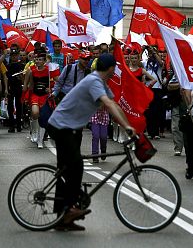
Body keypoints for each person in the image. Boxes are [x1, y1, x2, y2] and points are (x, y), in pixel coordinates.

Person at [47, 53, 134, 232]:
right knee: (75, 165)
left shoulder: (101, 83)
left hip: (70, 127)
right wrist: (126, 127)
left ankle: (63, 217)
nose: (115, 71)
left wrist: (129, 126)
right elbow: (107, 104)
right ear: (110, 68)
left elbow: (114, 105)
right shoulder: (94, 80)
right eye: (115, 68)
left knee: (66, 170)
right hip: (62, 126)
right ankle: (69, 209)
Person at [23, 50, 53, 148]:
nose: (38, 61)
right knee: (35, 113)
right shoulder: (31, 70)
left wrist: (50, 89)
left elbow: (54, 82)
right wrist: (26, 95)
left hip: (45, 96)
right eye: (36, 59)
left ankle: (40, 140)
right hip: (35, 95)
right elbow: (30, 84)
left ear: (44, 61)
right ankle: (34, 132)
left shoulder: (49, 70)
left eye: (40, 59)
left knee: (43, 117)